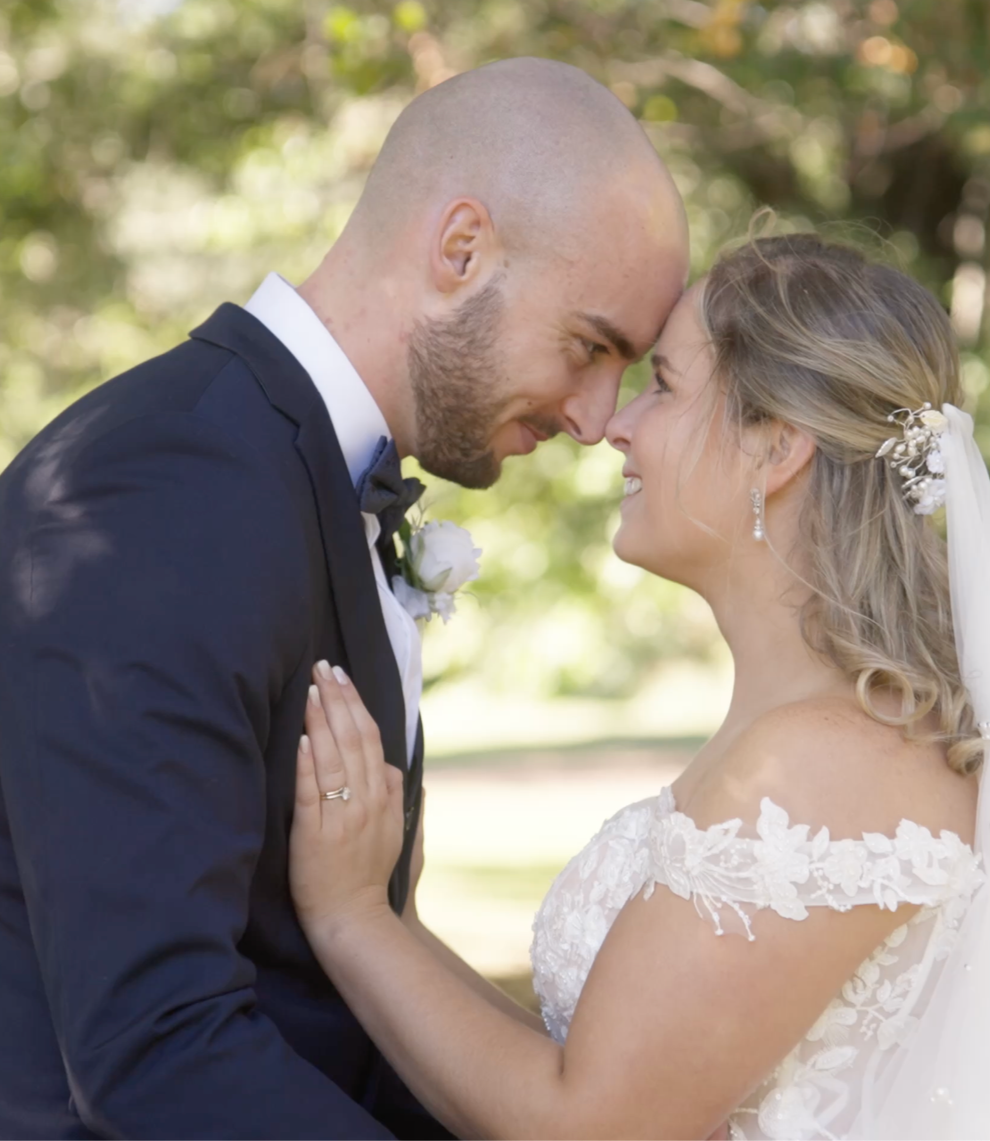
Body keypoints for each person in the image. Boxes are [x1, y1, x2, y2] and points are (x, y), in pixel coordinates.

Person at [289, 233, 990, 1139]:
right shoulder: (809, 735)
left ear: (775, 447)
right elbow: (614, 1072)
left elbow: (589, 1124)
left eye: (665, 385)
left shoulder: (818, 766)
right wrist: (397, 921)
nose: (616, 423)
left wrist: (348, 921)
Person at [0, 58, 688, 1138]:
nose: (598, 417)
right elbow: (156, 1046)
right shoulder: (155, 491)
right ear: (460, 251)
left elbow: (315, 998)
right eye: (589, 346)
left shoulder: (291, 473)